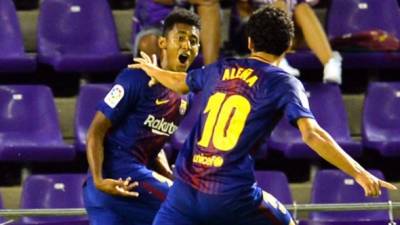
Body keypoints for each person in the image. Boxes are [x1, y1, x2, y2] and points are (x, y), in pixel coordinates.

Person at [130, 6, 397, 225]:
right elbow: (312, 135)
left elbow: (179, 81)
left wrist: (152, 70)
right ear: (289, 46)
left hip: (184, 191)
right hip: (230, 195)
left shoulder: (221, 68)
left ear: (249, 41)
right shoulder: (283, 82)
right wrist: (361, 173)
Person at [83, 9, 201, 225]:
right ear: (164, 43)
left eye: (193, 40)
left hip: (122, 191)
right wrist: (99, 180)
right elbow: (95, 131)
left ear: (197, 50)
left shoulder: (186, 97)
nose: (186, 45)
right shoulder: (136, 78)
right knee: (192, 209)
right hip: (117, 177)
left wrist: (167, 173)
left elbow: (152, 144)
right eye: (181, 38)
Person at [227, 0, 342, 84]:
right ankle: (278, 58)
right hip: (253, 33)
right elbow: (243, 8)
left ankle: (329, 62)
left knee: (302, 8)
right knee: (279, 4)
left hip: (290, 32)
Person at [132, 0, 220, 65]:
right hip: (152, 27)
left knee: (209, 6)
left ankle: (210, 73)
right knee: (148, 42)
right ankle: (162, 84)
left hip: (183, 25)